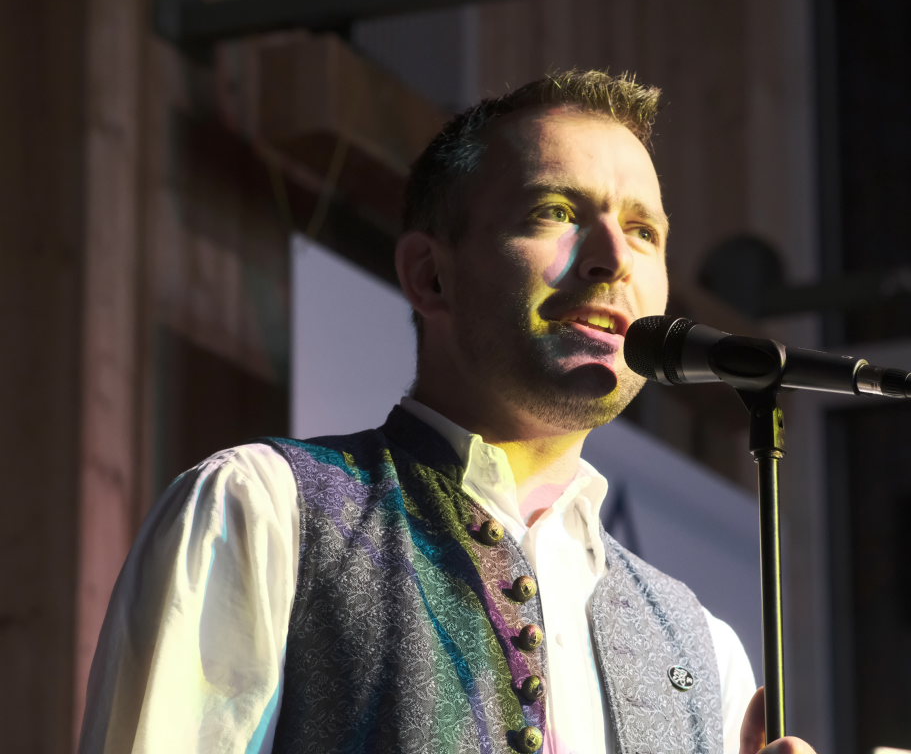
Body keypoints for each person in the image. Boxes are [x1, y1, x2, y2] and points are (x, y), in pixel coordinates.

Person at [80, 70, 815, 754]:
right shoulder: (264, 509)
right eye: (556, 212)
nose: (612, 257)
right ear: (431, 276)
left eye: (643, 231)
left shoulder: (702, 648)